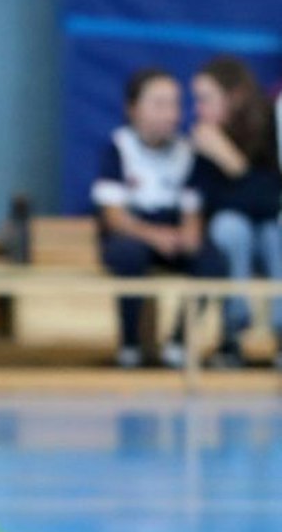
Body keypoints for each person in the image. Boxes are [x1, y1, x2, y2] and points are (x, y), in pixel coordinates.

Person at [91, 68, 221, 368]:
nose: (169, 114)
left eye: (174, 104)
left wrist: (189, 234)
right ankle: (130, 344)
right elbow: (113, 216)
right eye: (159, 104)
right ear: (133, 109)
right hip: (133, 232)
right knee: (128, 255)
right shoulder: (118, 147)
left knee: (212, 261)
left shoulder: (186, 151)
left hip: (172, 231)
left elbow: (192, 208)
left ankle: (179, 343)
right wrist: (153, 236)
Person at [187, 56, 282, 368]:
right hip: (230, 238)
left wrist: (232, 163)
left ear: (236, 96)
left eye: (206, 99)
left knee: (274, 232)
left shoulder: (267, 126)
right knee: (232, 227)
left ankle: (281, 331)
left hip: (268, 234)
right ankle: (233, 331)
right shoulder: (203, 138)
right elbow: (211, 201)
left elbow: (271, 200)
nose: (198, 109)